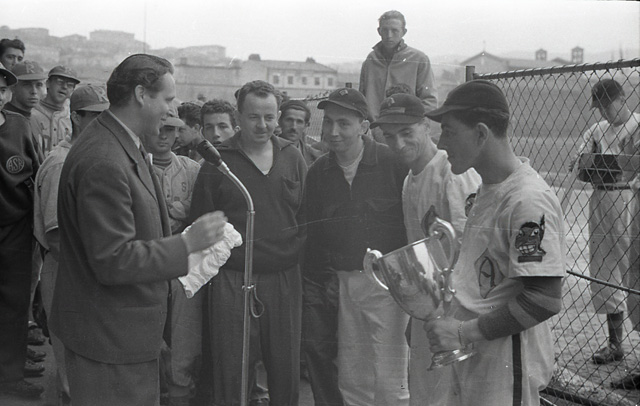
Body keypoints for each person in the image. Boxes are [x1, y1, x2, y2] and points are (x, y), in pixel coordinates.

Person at [49, 54, 227, 406]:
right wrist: (187, 244)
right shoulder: (105, 159)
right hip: (109, 339)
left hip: (120, 333)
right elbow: (113, 259)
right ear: (141, 94)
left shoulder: (119, 143)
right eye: (167, 99)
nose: (171, 110)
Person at [421, 80, 565, 406]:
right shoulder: (488, 188)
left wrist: (462, 333)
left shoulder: (527, 200)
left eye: (449, 132)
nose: (441, 143)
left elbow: (544, 299)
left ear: (481, 133)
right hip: (479, 351)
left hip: (506, 361)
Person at [190, 80, 306, 406]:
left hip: (284, 279)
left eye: (269, 117)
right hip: (233, 280)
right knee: (232, 370)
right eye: (254, 117)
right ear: (239, 116)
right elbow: (200, 223)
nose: (262, 125)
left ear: (278, 116)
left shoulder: (292, 156)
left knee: (285, 369)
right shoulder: (218, 162)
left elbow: (306, 216)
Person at [371, 93, 481, 406]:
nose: (398, 143)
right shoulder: (410, 179)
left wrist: (455, 318)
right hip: (431, 305)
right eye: (389, 136)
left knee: (448, 393)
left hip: (457, 309)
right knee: (424, 390)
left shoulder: (452, 171)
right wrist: (419, 318)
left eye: (407, 132)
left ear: (426, 127)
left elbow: (470, 247)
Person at [304, 87, 408, 406]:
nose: (333, 131)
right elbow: (314, 238)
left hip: (390, 285)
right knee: (352, 377)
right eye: (328, 122)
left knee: (391, 378)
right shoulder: (319, 173)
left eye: (344, 123)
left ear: (363, 126)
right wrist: (327, 280)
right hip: (344, 284)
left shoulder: (392, 162)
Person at [33, 83, 109, 405]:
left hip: (82, 269)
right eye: (94, 116)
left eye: (105, 115)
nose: (102, 123)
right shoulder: (61, 162)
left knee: (85, 365)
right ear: (76, 118)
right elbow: (56, 237)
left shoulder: (89, 155)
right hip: (65, 269)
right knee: (68, 368)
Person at [570, 79, 637, 365]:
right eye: (599, 107)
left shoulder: (637, 125)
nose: (603, 112)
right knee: (604, 270)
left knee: (633, 268)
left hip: (630, 200)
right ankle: (614, 344)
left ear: (622, 99)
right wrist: (618, 162)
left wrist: (602, 162)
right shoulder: (596, 130)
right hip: (600, 200)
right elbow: (579, 167)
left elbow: (629, 170)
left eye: (607, 105)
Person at [144, 108, 203, 406]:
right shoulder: (136, 165)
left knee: (184, 333)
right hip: (146, 258)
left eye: (170, 129)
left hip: (183, 260)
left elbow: (198, 213)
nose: (163, 135)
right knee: (148, 332)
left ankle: (180, 388)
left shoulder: (192, 169)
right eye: (159, 128)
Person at [0, 62, 44, 399]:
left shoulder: (19, 125)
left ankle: (10, 372)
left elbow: (38, 174)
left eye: (1, 89)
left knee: (14, 304)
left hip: (15, 229)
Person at [359, 10, 437, 121]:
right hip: (373, 127)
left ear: (404, 32)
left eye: (394, 30)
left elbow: (429, 101)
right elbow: (361, 99)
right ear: (379, 31)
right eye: (385, 30)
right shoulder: (370, 60)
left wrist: (413, 126)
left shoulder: (419, 59)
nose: (389, 35)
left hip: (406, 126)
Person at [2, 60, 47, 163]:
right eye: (27, 85)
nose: (34, 91)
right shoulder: (4, 119)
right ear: (13, 87)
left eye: (39, 85)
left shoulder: (35, 118)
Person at [31, 65, 80, 155]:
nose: (64, 87)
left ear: (73, 90)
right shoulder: (31, 112)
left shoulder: (72, 118)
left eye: (70, 85)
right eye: (60, 82)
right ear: (48, 83)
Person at [278, 99, 325, 166]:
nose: (294, 127)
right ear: (279, 121)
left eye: (299, 122)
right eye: (289, 120)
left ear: (306, 125)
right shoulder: (267, 151)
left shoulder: (315, 158)